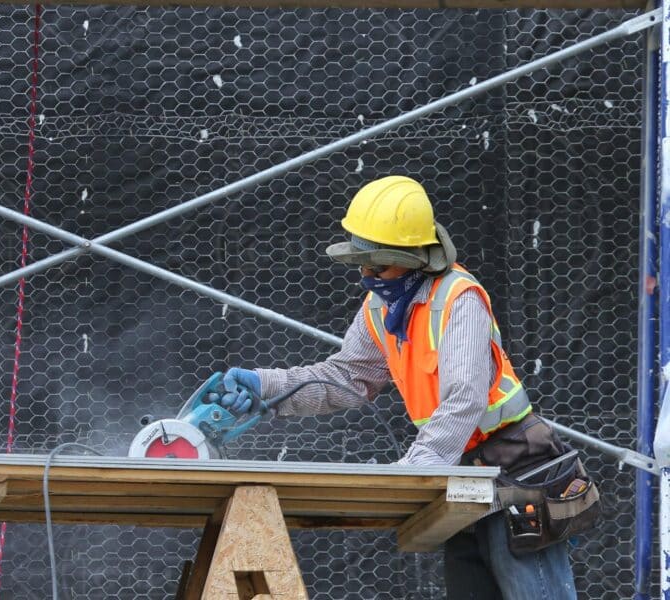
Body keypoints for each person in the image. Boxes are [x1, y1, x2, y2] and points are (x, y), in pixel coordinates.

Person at [217, 175, 577, 600]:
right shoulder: (383, 306)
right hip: (462, 476)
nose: (368, 276)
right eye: (363, 265)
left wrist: (417, 468)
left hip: (517, 470)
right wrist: (266, 388)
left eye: (378, 265)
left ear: (413, 257)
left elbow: (465, 397)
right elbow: (346, 377)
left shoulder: (458, 299)